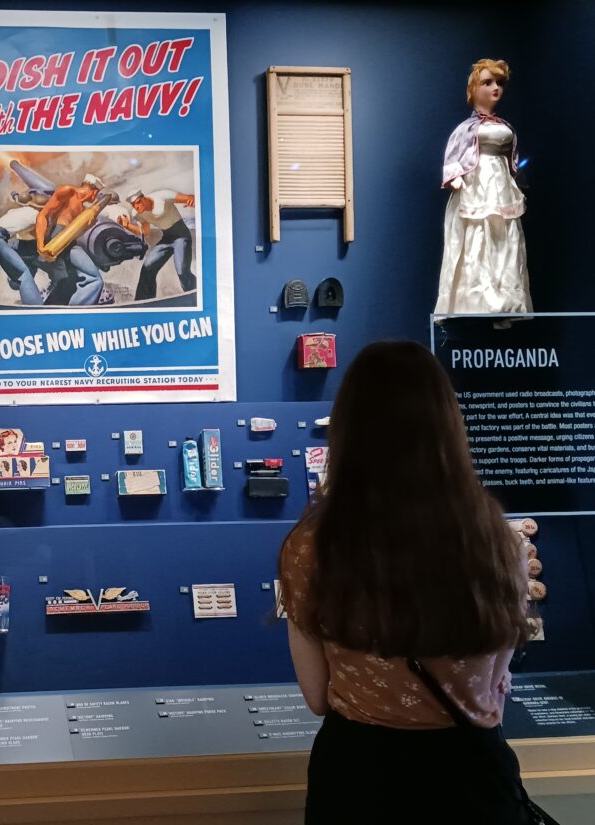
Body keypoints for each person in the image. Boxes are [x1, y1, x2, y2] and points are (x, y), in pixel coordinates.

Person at [278, 341, 534, 824]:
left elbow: (316, 696)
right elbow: (497, 686)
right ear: (447, 426)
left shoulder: (310, 549)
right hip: (472, 781)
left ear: (349, 430)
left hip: (361, 780)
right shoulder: (502, 543)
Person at [435, 59, 531, 326]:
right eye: (488, 82)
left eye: (499, 83)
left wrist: (517, 179)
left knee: (505, 240)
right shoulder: (467, 128)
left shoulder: (504, 125)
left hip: (501, 186)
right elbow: (454, 154)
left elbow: (513, 159)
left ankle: (505, 302)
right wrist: (455, 178)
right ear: (474, 87)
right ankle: (475, 300)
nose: (495, 88)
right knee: (476, 239)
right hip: (475, 185)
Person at [35, 173, 108, 305]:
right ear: (94, 191)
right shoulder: (67, 191)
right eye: (97, 194)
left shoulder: (83, 210)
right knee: (94, 280)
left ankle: (53, 309)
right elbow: (43, 215)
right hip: (57, 239)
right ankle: (78, 312)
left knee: (71, 282)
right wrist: (40, 245)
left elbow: (74, 232)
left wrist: (87, 227)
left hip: (69, 242)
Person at [117, 189, 197, 300]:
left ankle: (196, 295)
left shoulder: (162, 196)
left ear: (144, 198)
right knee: (147, 268)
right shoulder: (137, 214)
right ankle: (143, 301)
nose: (136, 207)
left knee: (182, 271)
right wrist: (127, 226)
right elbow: (146, 232)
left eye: (138, 203)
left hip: (181, 236)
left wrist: (192, 199)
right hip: (167, 238)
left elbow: (189, 197)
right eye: (133, 205)